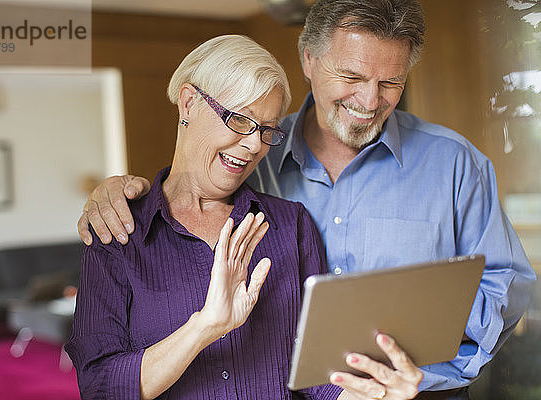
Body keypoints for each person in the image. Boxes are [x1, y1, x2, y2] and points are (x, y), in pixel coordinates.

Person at [77, 0, 536, 397]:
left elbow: (506, 286)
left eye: (391, 82)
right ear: (309, 59)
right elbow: (195, 179)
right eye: (351, 75)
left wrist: (420, 374)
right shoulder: (258, 166)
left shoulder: (454, 164)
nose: (370, 99)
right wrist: (116, 190)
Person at [66, 34, 422, 400]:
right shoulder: (118, 231)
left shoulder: (291, 225)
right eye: (240, 120)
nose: (255, 145)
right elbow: (100, 387)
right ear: (188, 103)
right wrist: (205, 326)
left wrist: (380, 394)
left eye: (268, 130)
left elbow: (319, 380)